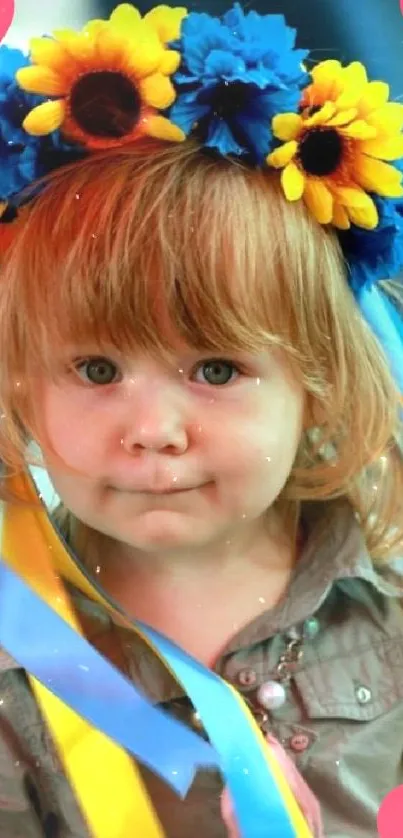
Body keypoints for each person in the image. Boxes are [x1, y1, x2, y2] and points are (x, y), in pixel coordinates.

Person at [0, 2, 402, 836]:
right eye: (96, 369)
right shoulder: (17, 643)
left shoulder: (390, 615)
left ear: (318, 382)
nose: (151, 428)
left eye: (216, 368)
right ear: (23, 382)